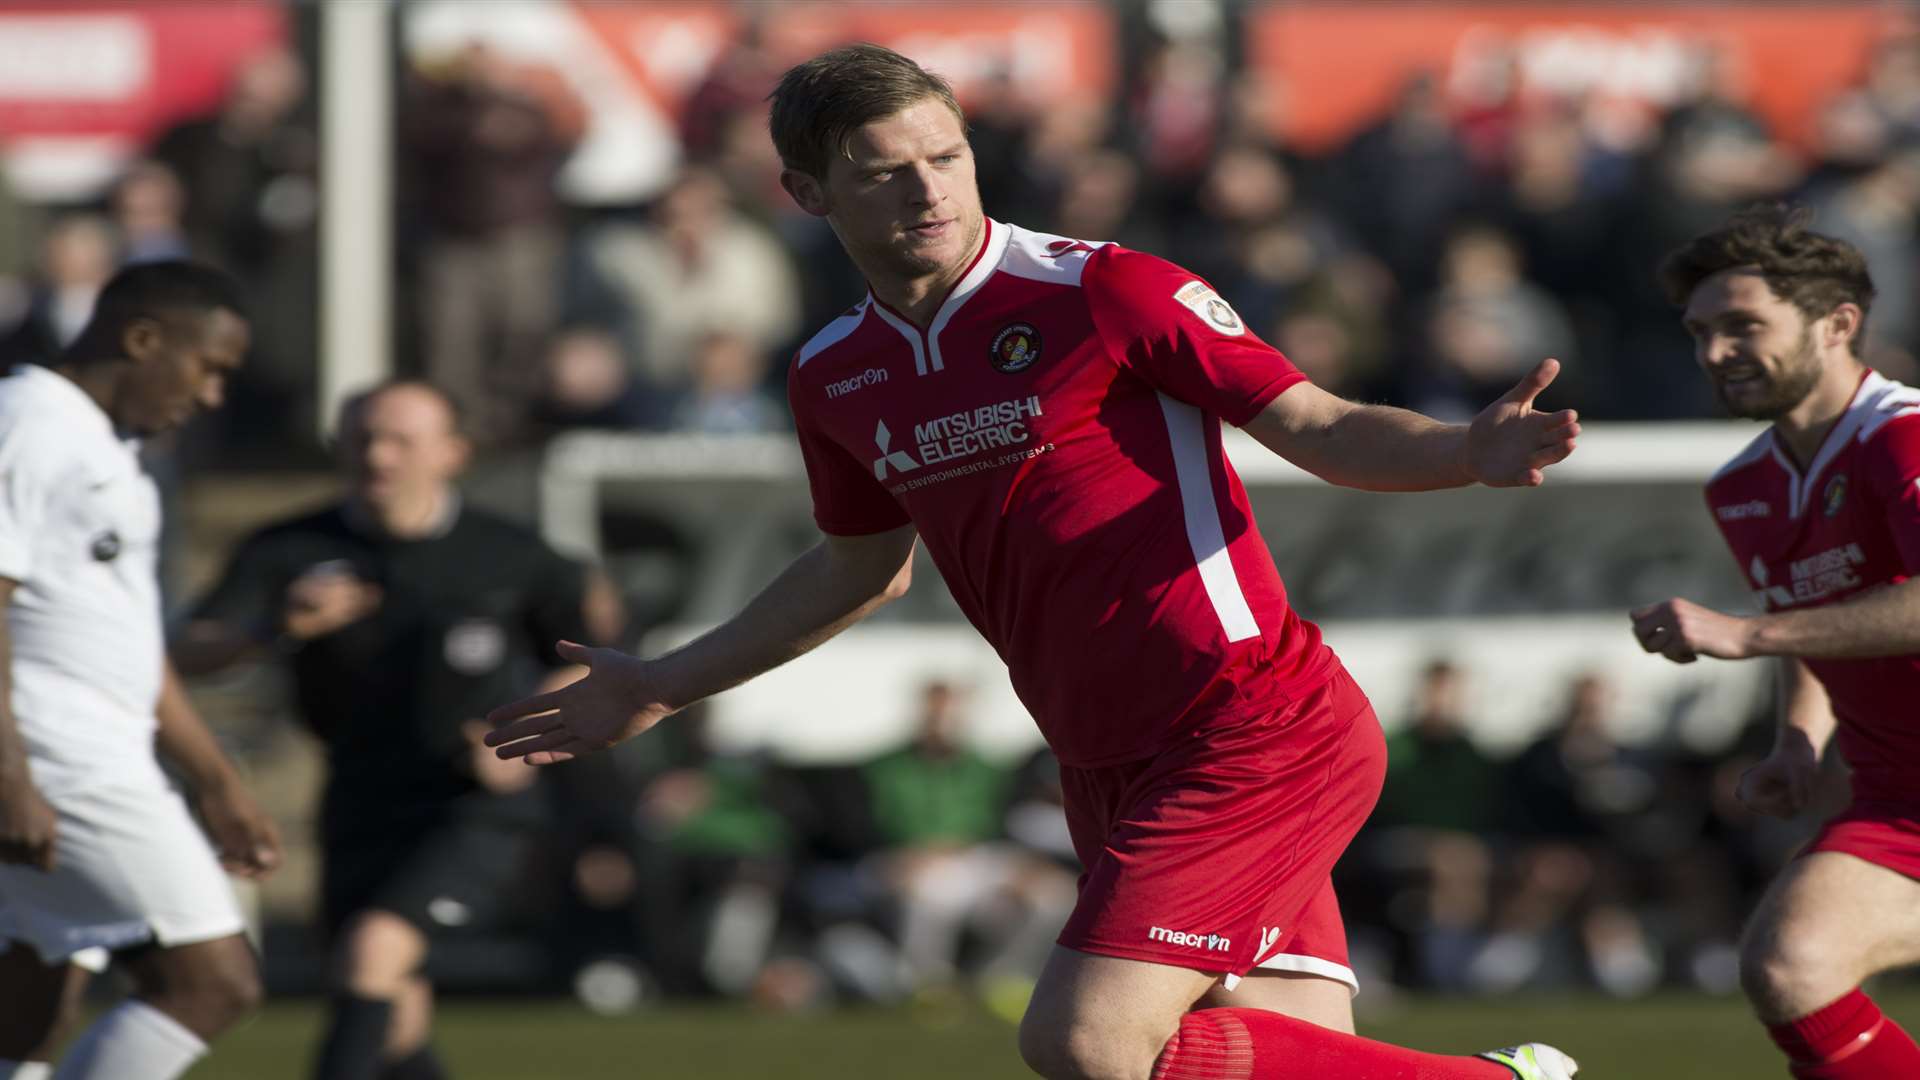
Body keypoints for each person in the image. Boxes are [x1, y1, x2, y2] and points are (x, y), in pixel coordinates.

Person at [486, 44, 1581, 1080]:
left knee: (1087, 1043)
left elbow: (1318, 424)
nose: (930, 191)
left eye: (946, 156)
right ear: (808, 193)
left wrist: (1464, 452)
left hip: (1250, 728)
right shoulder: (835, 374)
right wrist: (668, 682)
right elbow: (858, 569)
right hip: (1101, 763)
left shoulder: (1103, 289)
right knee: (1249, 1059)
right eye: (885, 173)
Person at [173, 380, 607, 1080]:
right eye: (362, 437)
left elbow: (591, 665)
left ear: (452, 453)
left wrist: (525, 736)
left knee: (373, 954)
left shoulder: (514, 555)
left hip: (473, 804)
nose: (378, 454)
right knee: (393, 1014)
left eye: (400, 439)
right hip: (358, 795)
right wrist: (273, 625)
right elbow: (183, 653)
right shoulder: (290, 550)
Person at [1634, 204, 1920, 1078]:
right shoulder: (1746, 485)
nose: (1715, 352)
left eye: (1743, 326)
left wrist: (1746, 633)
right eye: (1700, 331)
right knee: (1792, 965)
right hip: (1897, 802)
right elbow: (1815, 620)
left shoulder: (1903, 434)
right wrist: (1798, 742)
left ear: (1839, 324)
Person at [0, 261, 278, 1080]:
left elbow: (131, 644)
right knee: (213, 981)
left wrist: (214, 778)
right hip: (55, 756)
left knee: (30, 1004)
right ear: (144, 338)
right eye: (210, 368)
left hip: (89, 752)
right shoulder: (30, 420)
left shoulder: (112, 451)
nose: (213, 396)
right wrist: (10, 769)